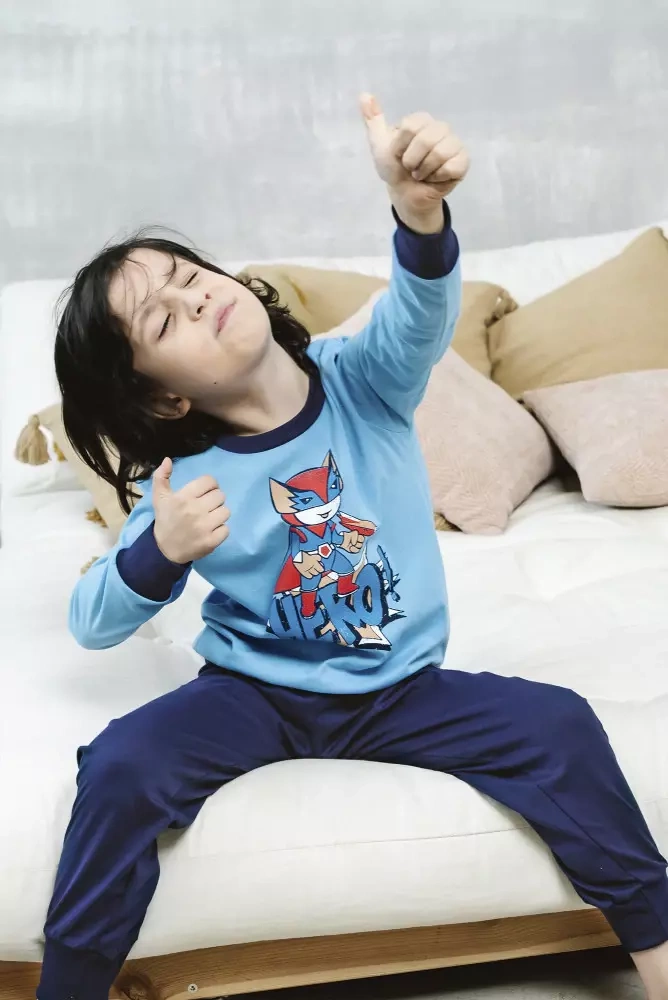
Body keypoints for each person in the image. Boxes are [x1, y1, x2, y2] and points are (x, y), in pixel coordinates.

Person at [38, 95, 668, 1000]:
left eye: (185, 276)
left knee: (562, 725)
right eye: (163, 322)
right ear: (166, 398)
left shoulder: (363, 382)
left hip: (402, 689)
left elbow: (417, 315)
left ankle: (656, 947)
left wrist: (419, 213)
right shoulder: (189, 480)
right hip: (253, 694)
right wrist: (161, 551)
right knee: (120, 766)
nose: (193, 297)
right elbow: (91, 620)